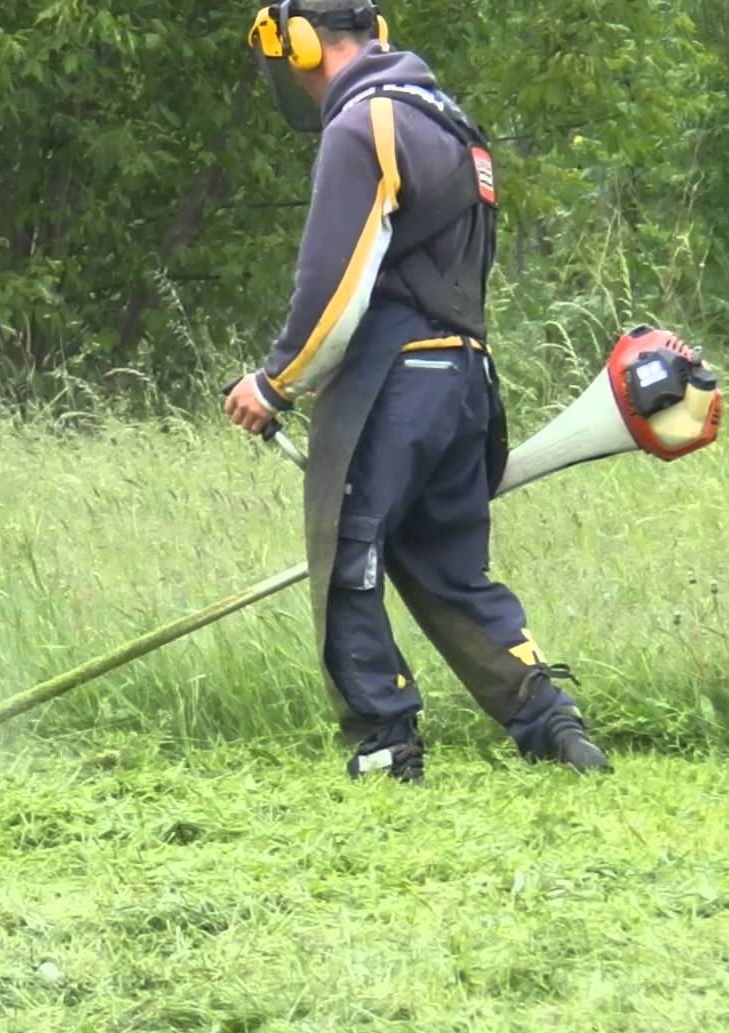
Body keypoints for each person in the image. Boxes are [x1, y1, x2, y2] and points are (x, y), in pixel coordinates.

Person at [225, 1, 609, 782]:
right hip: (465, 378)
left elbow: (334, 284)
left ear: (299, 44)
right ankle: (550, 724)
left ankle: (383, 738)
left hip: (390, 382)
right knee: (448, 568)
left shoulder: (360, 126)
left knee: (346, 555)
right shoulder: (452, 125)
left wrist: (276, 382)